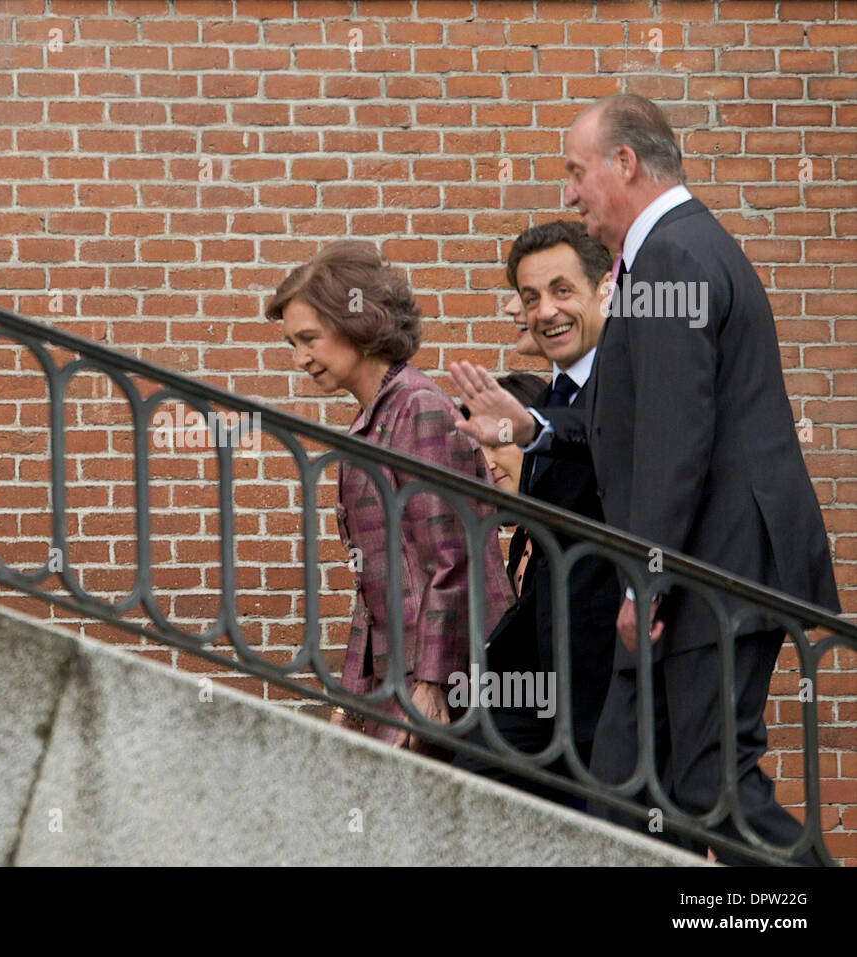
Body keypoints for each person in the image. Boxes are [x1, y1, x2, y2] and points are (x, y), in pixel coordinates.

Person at [450, 94, 840, 864]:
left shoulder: (672, 255)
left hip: (709, 574)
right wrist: (534, 428)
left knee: (708, 786)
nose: (569, 193)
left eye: (576, 170)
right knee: (623, 785)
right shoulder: (675, 252)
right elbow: (630, 414)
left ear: (624, 162)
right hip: (699, 571)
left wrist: (645, 584)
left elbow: (673, 441)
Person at [266, 240, 513, 756]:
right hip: (400, 674)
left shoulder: (419, 406)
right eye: (293, 342)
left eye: (310, 338)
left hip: (446, 677)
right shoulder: (375, 417)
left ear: (357, 323)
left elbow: (456, 557)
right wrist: (349, 703)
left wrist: (434, 683)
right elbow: (372, 592)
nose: (300, 358)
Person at [451, 221, 620, 807]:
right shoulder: (558, 392)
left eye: (562, 290)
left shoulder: (634, 381)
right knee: (475, 767)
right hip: (548, 660)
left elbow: (608, 438)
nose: (545, 310)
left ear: (608, 289)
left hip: (619, 661)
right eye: (530, 299)